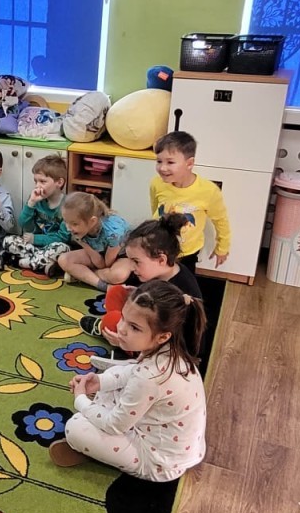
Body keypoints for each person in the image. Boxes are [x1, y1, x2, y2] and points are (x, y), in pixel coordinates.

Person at [49, 281, 206, 482]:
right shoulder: (171, 350)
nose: (121, 329)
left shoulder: (150, 376)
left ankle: (90, 443)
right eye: (123, 318)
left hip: (158, 462)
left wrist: (81, 400)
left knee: (75, 428)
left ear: (162, 336)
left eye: (134, 327)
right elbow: (133, 370)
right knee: (115, 375)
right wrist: (100, 381)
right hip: (174, 444)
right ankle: (99, 410)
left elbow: (115, 425)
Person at [78, 213, 203, 343]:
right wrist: (137, 293)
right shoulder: (157, 272)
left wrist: (125, 341)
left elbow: (170, 338)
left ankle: (119, 338)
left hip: (166, 344)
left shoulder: (180, 291)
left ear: (161, 260)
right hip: (150, 324)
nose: (131, 267)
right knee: (118, 293)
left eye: (136, 261)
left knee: (112, 323)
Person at [150, 131, 231, 271]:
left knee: (184, 282)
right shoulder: (156, 183)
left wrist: (222, 248)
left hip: (188, 253)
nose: (162, 168)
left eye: (170, 162)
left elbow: (221, 221)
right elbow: (155, 209)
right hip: (159, 247)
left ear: (189, 163)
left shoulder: (209, 191)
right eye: (159, 161)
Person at [3, 153, 71, 273]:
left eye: (42, 181)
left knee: (62, 248)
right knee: (8, 240)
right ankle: (40, 263)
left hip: (52, 245)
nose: (37, 186)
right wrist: (31, 203)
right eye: (35, 181)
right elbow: (24, 224)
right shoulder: (36, 199)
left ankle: (21, 262)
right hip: (34, 246)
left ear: (59, 183)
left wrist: (36, 239)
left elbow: (63, 238)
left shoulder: (67, 206)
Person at [55, 192, 132, 289]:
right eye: (66, 222)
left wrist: (82, 271)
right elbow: (97, 260)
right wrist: (83, 243)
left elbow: (105, 264)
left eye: (74, 224)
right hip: (99, 253)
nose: (68, 228)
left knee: (118, 275)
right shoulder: (76, 229)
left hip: (121, 256)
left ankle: (83, 275)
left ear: (92, 221)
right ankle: (104, 286)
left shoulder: (113, 233)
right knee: (64, 260)